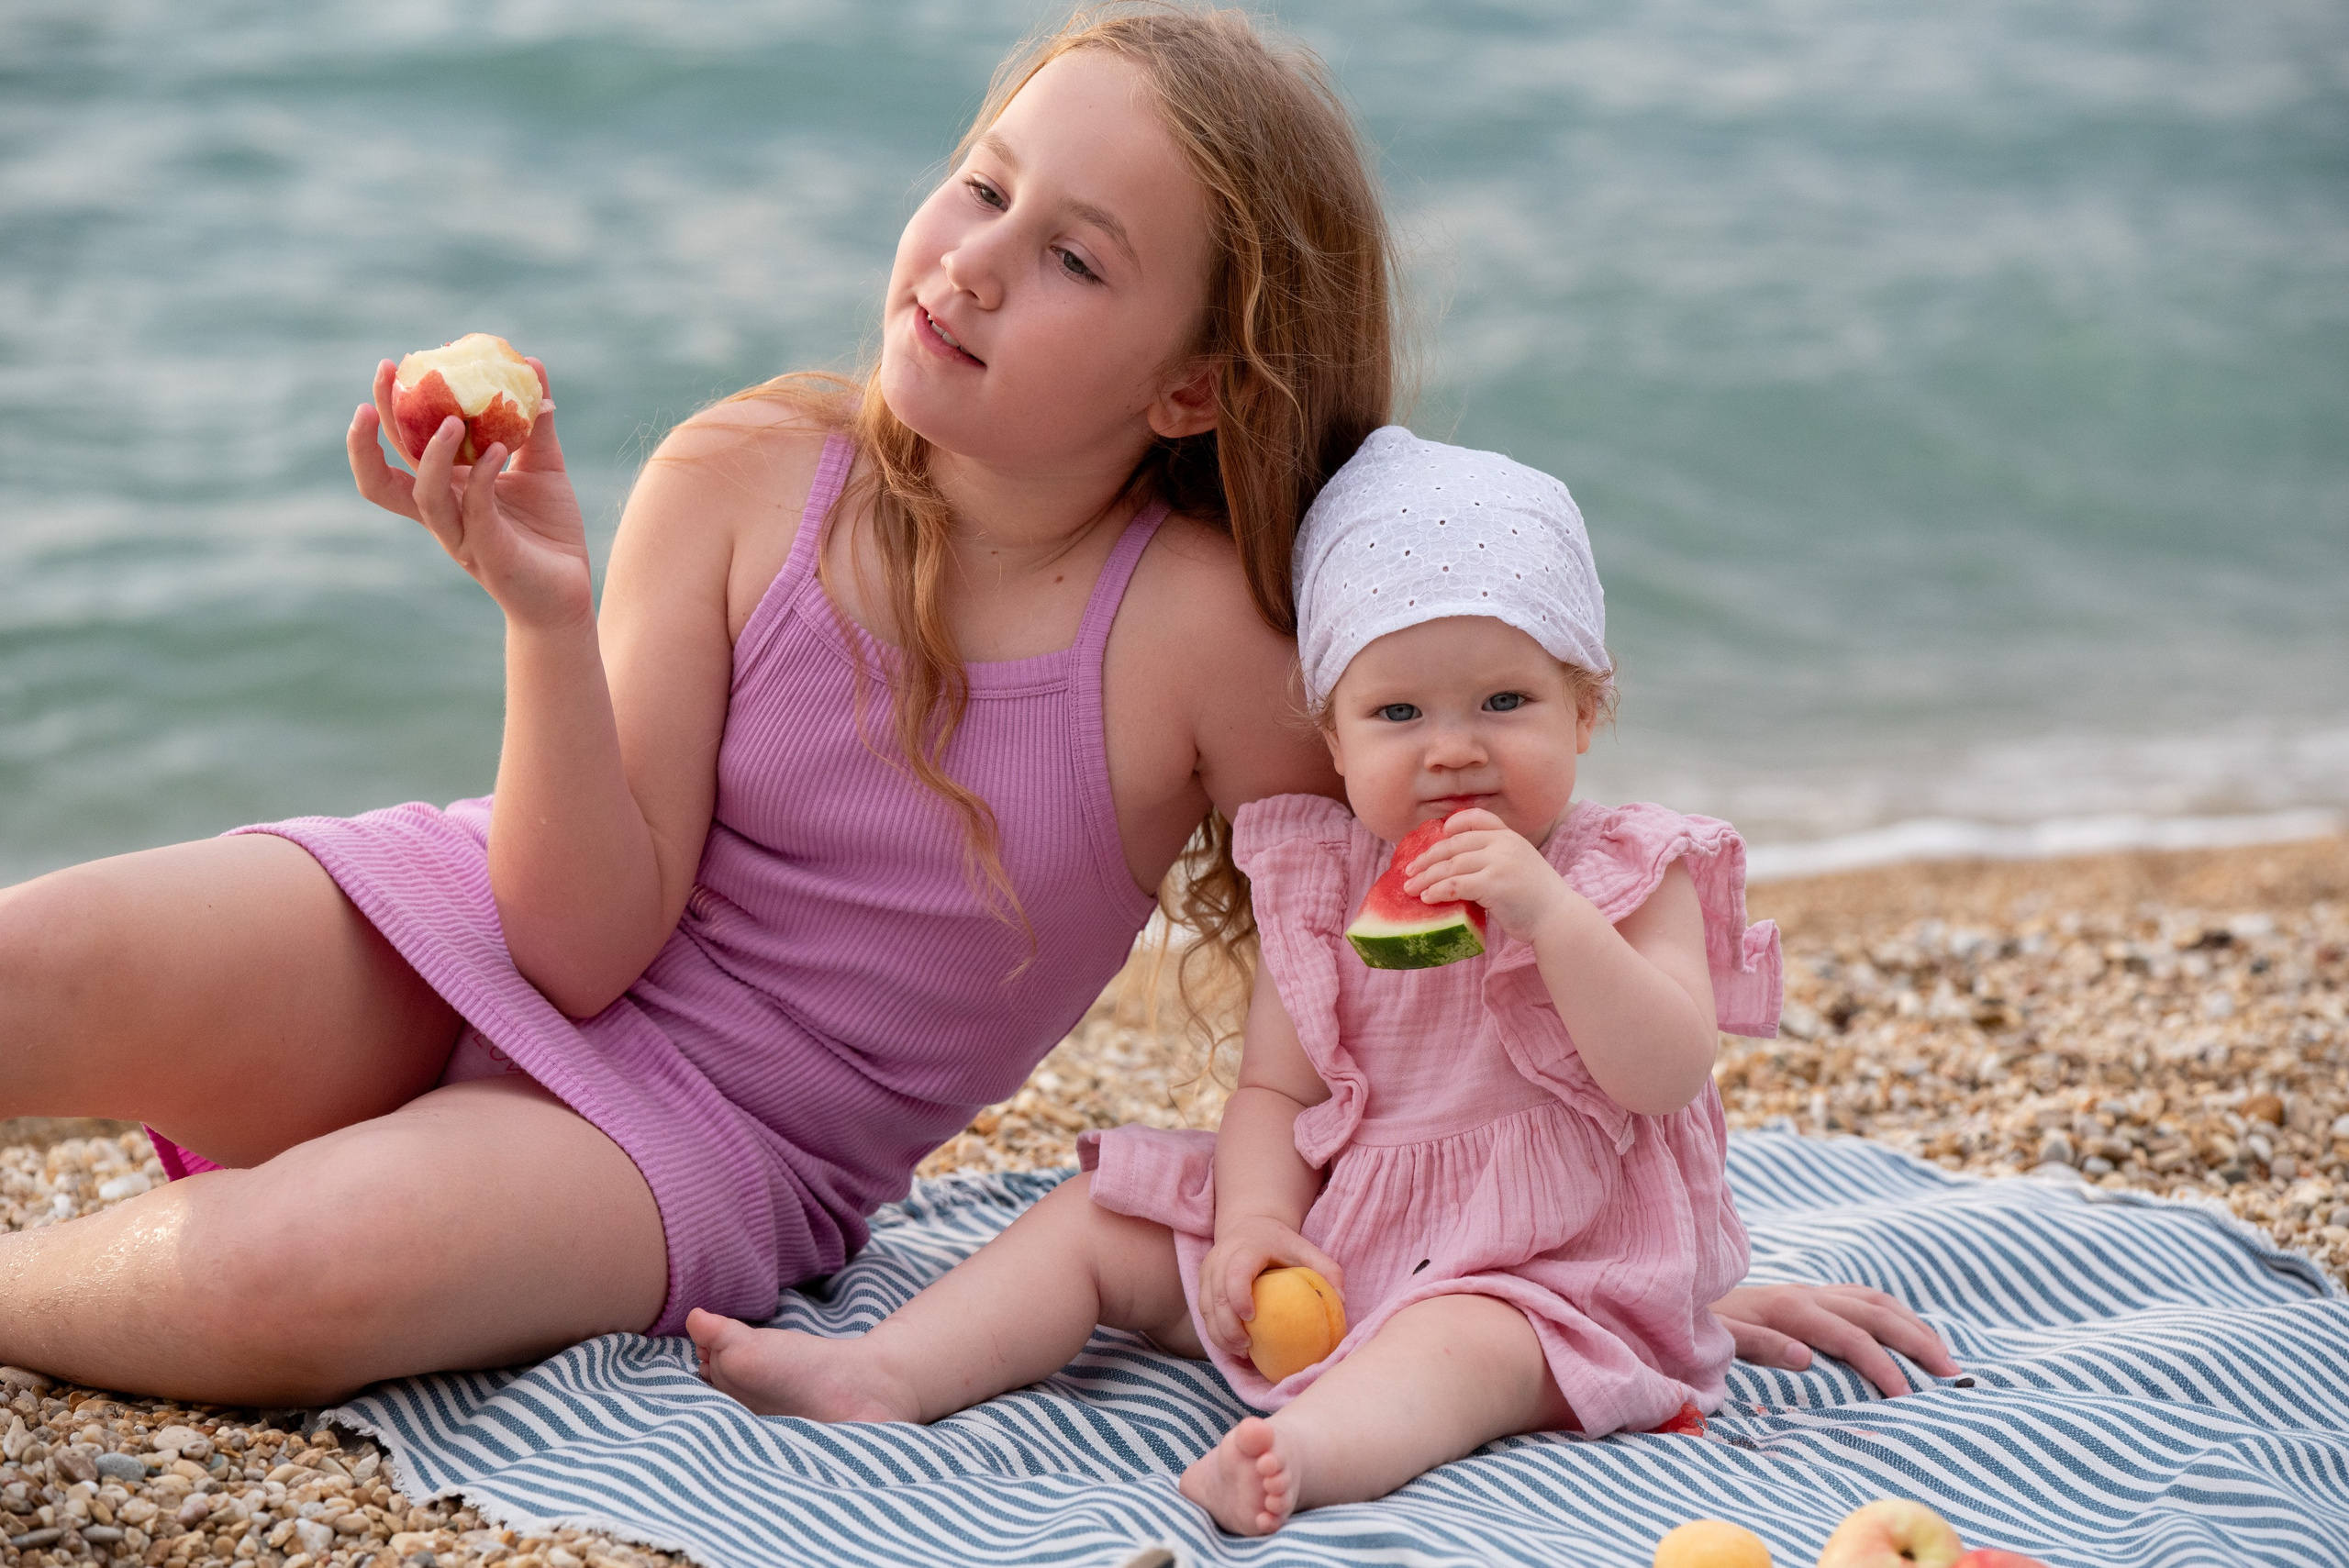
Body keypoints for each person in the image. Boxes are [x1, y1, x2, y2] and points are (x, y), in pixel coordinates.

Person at [0, 5, 1951, 1408]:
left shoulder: (1201, 645)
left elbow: (1409, 1000)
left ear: (1192, 386)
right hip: (472, 922)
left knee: (286, 1274)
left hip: (714, 1139)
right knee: (41, 960)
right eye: (981, 184)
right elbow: (572, 941)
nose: (973, 263)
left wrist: (1618, 1269)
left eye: (1073, 256)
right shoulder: (739, 469)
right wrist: (544, 615)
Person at [687, 428, 1867, 1534]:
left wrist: (1547, 913)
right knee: (1103, 1215)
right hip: (1342, 1227)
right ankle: (883, 1370)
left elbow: (1664, 1071)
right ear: (1334, 738)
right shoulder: (1326, 880)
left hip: (1546, 1268)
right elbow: (1273, 1095)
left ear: (1587, 709)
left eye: (1505, 701)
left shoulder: (1630, 870)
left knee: (1455, 1348)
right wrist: (1255, 1222)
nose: (1452, 745)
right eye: (1397, 711)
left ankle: (1299, 1455)